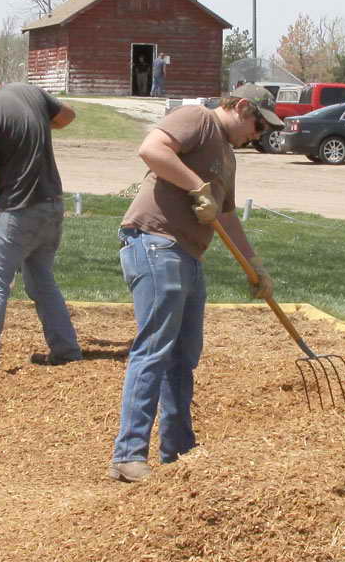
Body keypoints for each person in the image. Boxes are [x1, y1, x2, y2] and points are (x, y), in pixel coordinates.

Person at [108, 83, 283, 483]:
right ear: (240, 107)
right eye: (258, 124)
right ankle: (128, 454)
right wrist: (196, 187)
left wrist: (254, 265)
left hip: (187, 254)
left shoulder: (228, 155)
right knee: (154, 348)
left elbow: (224, 215)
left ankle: (179, 449)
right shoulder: (198, 119)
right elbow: (152, 149)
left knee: (184, 355)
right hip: (153, 242)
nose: (259, 134)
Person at [0, 56, 83, 370]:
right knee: (41, 281)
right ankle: (66, 350)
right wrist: (31, 120)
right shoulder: (29, 92)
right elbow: (66, 117)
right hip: (51, 208)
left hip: (16, 211)